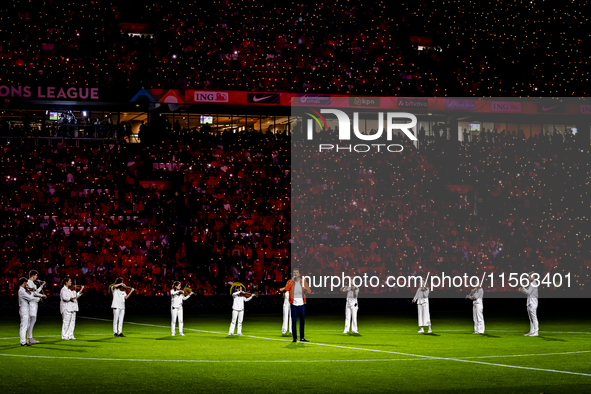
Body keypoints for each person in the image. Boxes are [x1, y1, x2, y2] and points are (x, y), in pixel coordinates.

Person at [284, 268, 312, 342]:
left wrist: (306, 289)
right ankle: (294, 338)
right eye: (294, 272)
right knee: (294, 321)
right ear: (293, 274)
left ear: (299, 274)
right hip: (294, 304)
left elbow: (309, 291)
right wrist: (292, 281)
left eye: (297, 272)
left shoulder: (303, 282)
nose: (296, 274)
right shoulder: (290, 282)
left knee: (302, 321)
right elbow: (286, 289)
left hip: (301, 304)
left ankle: (302, 338)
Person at [18, 277, 43, 346]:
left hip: (25, 310)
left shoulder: (23, 290)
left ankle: (23, 341)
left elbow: (30, 297)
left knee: (24, 326)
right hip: (24, 311)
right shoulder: (21, 291)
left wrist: (31, 291)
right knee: (24, 326)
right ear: (24, 283)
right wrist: (38, 299)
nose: (27, 284)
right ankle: (23, 342)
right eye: (26, 283)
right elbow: (30, 298)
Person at [26, 270, 47, 344]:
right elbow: (33, 293)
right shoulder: (29, 282)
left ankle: (29, 337)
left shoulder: (32, 283)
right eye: (36, 276)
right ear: (33, 275)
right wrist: (42, 295)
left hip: (34, 303)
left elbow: (36, 292)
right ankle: (29, 338)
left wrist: (41, 286)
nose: (37, 277)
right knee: (31, 320)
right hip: (32, 303)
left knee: (32, 320)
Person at [519, 272, 539, 336]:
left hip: (533, 301)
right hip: (530, 301)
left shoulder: (534, 283)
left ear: (534, 277)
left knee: (534, 317)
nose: (529, 278)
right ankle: (532, 331)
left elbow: (528, 292)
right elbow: (528, 292)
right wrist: (522, 289)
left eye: (530, 276)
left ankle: (536, 332)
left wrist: (523, 287)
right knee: (531, 318)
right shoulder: (531, 283)